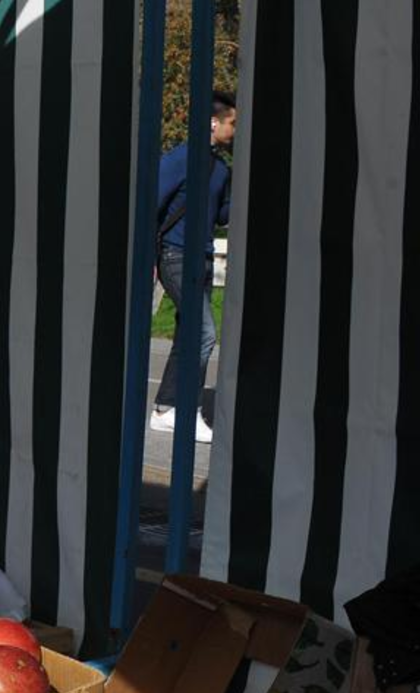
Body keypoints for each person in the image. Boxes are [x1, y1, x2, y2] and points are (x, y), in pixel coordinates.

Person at [152, 90, 237, 445]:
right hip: (175, 255)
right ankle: (184, 412)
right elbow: (150, 200)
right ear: (213, 122)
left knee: (189, 333)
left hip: (200, 257)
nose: (236, 129)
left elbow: (221, 215)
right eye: (233, 122)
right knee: (204, 335)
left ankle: (165, 410)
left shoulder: (220, 168)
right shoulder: (181, 157)